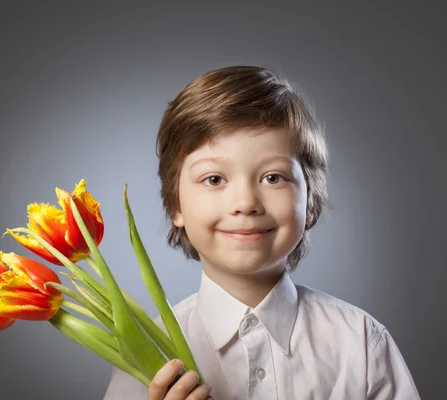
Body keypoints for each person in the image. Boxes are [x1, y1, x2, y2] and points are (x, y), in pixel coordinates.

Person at [103, 66, 420, 400]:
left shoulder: (362, 344)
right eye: (214, 179)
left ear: (310, 202)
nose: (245, 203)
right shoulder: (146, 357)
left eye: (273, 178)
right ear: (175, 206)